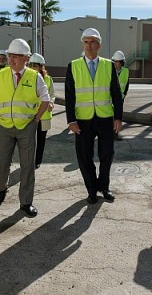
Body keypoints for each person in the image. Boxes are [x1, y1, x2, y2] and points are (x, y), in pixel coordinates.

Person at [0, 39, 50, 217]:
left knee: (27, 165)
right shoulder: (1, 75)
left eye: (16, 56)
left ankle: (26, 202)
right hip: (4, 127)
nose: (11, 59)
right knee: (2, 162)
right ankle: (1, 188)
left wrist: (36, 119)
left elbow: (45, 99)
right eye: (10, 56)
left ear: (26, 58)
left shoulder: (34, 76)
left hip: (26, 128)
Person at [64, 28, 123, 204]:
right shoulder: (73, 66)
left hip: (105, 118)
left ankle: (104, 187)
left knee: (107, 155)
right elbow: (70, 96)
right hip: (82, 120)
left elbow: (116, 93)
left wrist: (118, 117)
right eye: (86, 42)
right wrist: (71, 120)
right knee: (84, 156)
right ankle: (91, 190)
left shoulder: (108, 65)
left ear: (99, 45)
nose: (89, 46)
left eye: (93, 42)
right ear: (82, 44)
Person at [28, 53, 55, 169]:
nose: (33, 68)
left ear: (41, 67)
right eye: (32, 65)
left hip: (44, 116)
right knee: (29, 141)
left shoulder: (48, 79)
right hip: (31, 115)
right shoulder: (27, 78)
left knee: (41, 140)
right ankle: (29, 160)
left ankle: (37, 161)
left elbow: (52, 94)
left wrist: (51, 102)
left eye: (36, 66)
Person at [111, 50, 130, 141]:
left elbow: (126, 85)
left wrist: (124, 94)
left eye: (117, 61)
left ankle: (115, 134)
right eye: (114, 61)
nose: (115, 63)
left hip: (120, 99)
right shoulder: (109, 71)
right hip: (109, 98)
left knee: (117, 117)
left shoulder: (126, 72)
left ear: (121, 62)